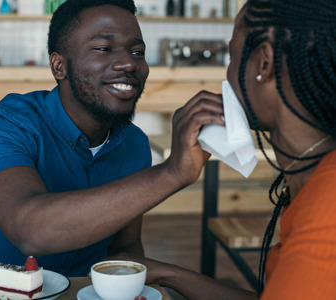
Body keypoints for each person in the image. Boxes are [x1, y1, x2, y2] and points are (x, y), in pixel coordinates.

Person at [0, 0, 225, 277]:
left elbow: (125, 245)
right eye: (103, 48)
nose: (128, 63)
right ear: (59, 66)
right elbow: (31, 231)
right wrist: (173, 173)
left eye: (137, 51)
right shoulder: (4, 124)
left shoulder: (135, 144)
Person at [107, 0, 336, 298]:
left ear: (263, 64)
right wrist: (166, 273)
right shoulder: (312, 180)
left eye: (231, 57)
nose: (227, 75)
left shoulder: (326, 217)